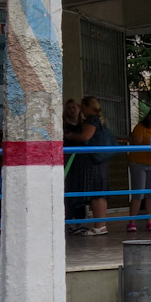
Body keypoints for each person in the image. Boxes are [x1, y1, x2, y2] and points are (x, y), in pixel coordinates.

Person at [69, 96, 113, 235]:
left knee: (97, 193)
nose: (81, 110)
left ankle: (99, 226)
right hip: (98, 161)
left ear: (89, 107)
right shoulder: (99, 119)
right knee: (99, 193)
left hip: (93, 163)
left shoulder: (92, 120)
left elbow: (85, 136)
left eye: (83, 107)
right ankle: (100, 225)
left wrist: (71, 136)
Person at [127, 108, 151, 232]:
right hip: (138, 162)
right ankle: (132, 222)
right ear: (149, 118)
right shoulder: (140, 127)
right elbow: (136, 144)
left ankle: (150, 221)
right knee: (138, 193)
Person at [62, 99, 86, 231]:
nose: (72, 110)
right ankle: (69, 220)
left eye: (74, 107)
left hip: (81, 160)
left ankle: (80, 221)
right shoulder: (63, 126)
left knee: (80, 189)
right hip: (67, 160)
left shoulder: (84, 126)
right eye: (69, 108)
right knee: (68, 188)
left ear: (79, 109)